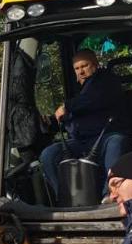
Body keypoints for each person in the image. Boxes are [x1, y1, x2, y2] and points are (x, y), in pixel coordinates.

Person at [40, 49, 126, 201]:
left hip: (104, 137)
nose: (81, 71)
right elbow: (67, 117)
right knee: (49, 154)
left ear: (95, 65)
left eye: (84, 66)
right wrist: (51, 121)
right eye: (77, 68)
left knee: (116, 143)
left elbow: (92, 99)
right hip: (80, 141)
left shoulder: (106, 81)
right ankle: (63, 198)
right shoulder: (77, 91)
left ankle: (109, 195)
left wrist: (67, 106)